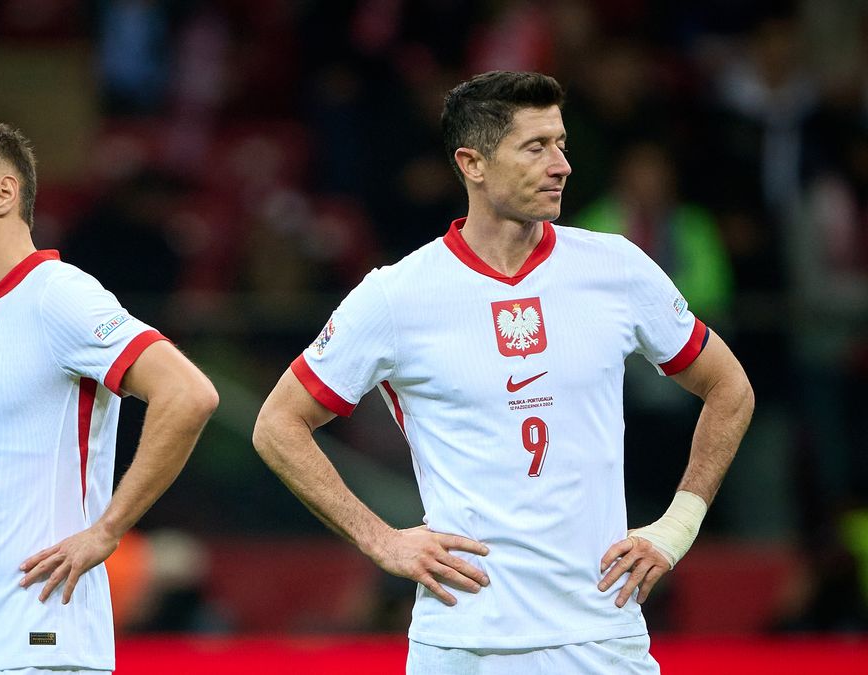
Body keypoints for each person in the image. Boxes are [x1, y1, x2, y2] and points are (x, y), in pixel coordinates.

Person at [253, 71, 754, 673]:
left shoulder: (616, 267)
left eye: (562, 143)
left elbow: (729, 388)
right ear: (473, 163)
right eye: (536, 147)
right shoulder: (396, 296)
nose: (562, 164)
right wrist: (380, 539)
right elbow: (278, 424)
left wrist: (678, 526)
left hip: (601, 634)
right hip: (466, 642)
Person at [0, 121, 219, 675]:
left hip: (36, 641)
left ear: (5, 193)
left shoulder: (60, 296)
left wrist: (108, 530)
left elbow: (188, 393)